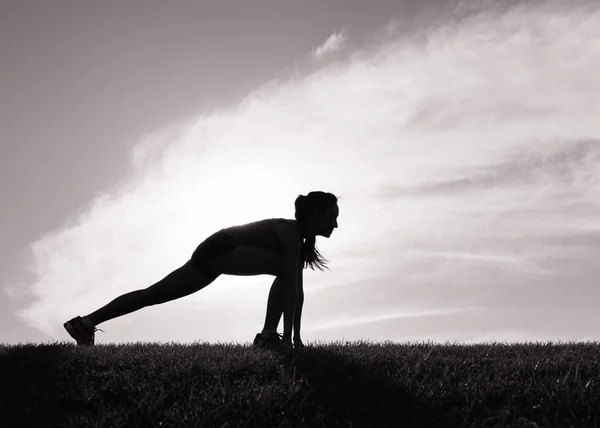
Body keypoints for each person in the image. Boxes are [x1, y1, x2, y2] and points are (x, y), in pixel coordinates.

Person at [63, 191, 339, 350]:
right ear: (315, 214)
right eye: (333, 216)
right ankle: (268, 337)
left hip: (213, 253)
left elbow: (296, 291)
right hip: (221, 249)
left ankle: (85, 323)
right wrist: (291, 341)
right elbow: (291, 286)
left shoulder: (297, 240)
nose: (335, 224)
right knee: (286, 271)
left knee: (153, 294)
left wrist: (296, 339)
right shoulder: (291, 232)